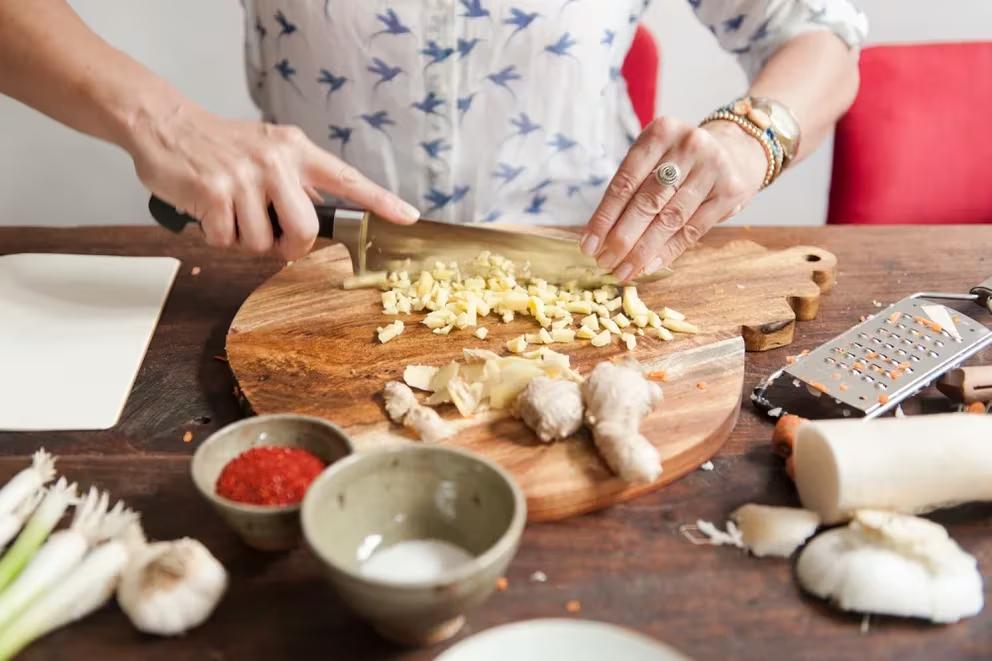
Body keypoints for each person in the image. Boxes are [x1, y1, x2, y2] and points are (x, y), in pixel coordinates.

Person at [0, 1, 866, 281]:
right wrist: (165, 120)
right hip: (312, 274)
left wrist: (757, 131)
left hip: (588, 270)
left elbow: (822, 31)